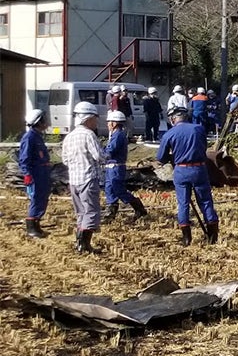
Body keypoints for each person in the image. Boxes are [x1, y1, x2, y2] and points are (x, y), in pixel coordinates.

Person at [157, 106, 219, 246]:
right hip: (199, 168)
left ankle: (186, 238)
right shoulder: (199, 129)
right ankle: (212, 236)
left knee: (183, 204)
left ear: (173, 119)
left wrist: (172, 157)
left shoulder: (169, 134)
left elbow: (161, 158)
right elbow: (203, 147)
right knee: (205, 201)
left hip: (181, 170)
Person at [61, 101, 104, 254]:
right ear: (88, 118)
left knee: (81, 212)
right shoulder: (88, 135)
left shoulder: (69, 137)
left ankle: (79, 243)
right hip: (88, 178)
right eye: (95, 118)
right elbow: (99, 156)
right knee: (91, 211)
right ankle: (84, 244)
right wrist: (108, 157)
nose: (96, 122)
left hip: (74, 180)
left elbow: (65, 159)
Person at [102, 111, 148, 223]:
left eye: (109, 122)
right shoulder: (115, 134)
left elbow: (110, 150)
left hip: (115, 167)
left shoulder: (118, 135)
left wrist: (100, 154)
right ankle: (110, 213)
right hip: (110, 167)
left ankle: (139, 208)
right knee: (109, 189)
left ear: (114, 123)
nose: (107, 124)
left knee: (118, 190)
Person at [19, 109, 52, 239]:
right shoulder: (29, 137)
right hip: (36, 173)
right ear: (39, 122)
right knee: (37, 198)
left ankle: (37, 224)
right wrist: (27, 174)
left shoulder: (37, 136)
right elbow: (24, 158)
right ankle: (31, 227)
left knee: (42, 198)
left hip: (43, 173)